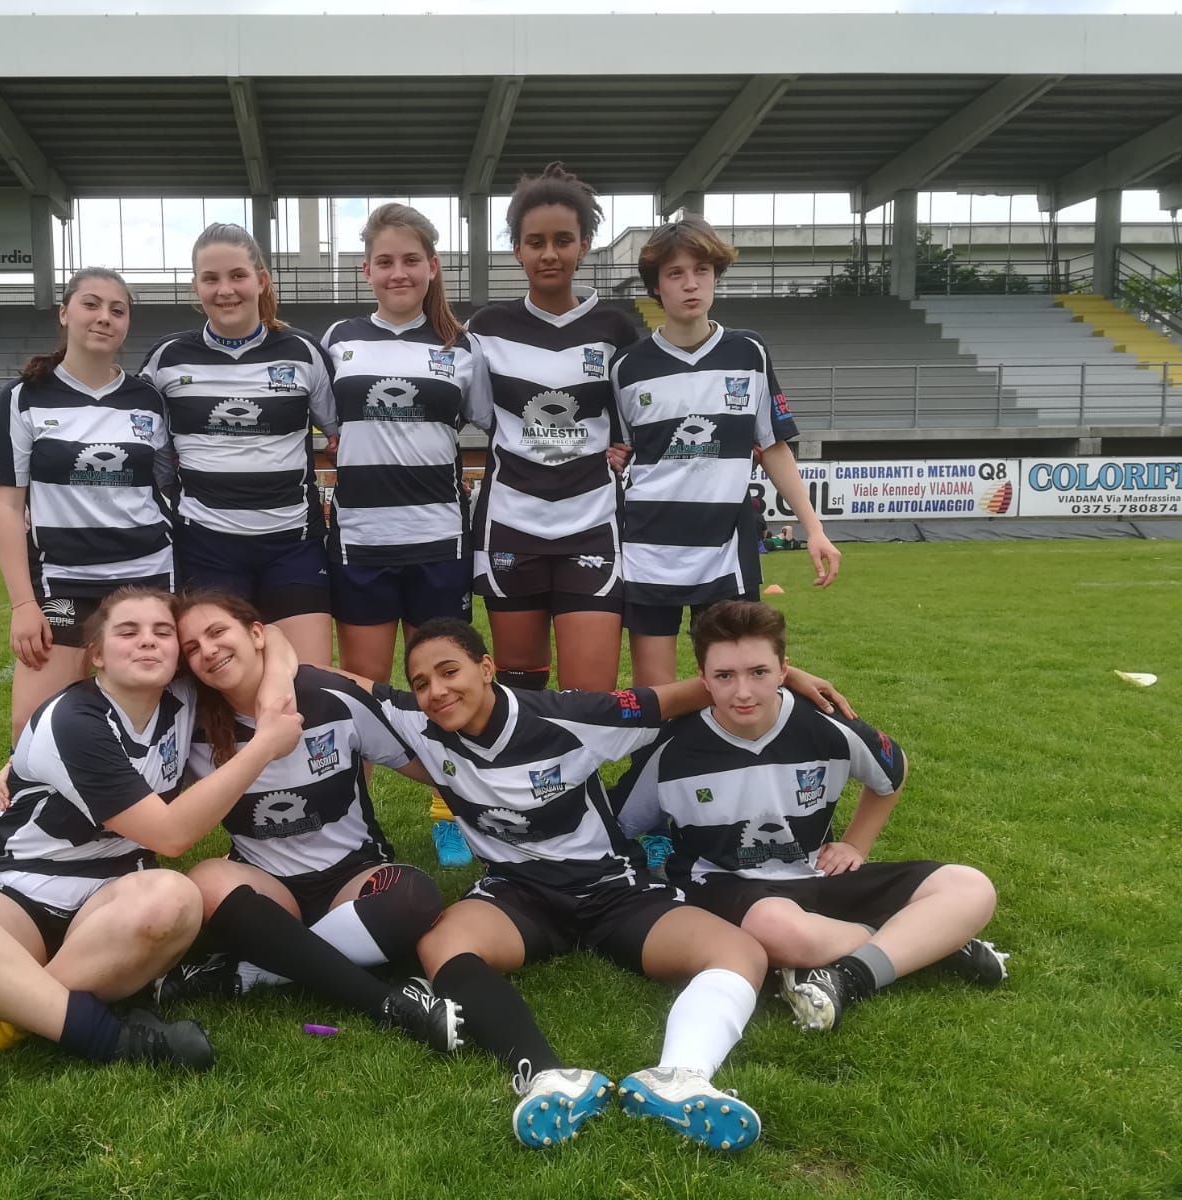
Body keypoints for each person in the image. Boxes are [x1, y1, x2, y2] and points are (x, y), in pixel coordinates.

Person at [357, 618, 851, 1151]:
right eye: (422, 682)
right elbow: (343, 683)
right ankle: (546, 1078)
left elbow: (674, 698)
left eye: (449, 671)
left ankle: (680, 1078)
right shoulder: (418, 721)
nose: (436, 691)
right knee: (441, 943)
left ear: (487, 667)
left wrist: (785, 676)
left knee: (741, 953)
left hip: (611, 889)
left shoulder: (570, 717)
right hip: (516, 894)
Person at [0, 587, 304, 1071]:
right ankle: (113, 1037)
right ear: (97, 654)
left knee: (174, 898)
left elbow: (274, 638)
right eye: (128, 632)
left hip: (112, 902)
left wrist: (274, 691)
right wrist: (264, 745)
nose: (148, 641)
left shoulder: (182, 694)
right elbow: (170, 835)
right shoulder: (74, 720)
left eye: (162, 632)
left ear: (175, 654)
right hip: (18, 895)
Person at [613, 600, 1007, 1032]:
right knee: (778, 929)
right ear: (703, 678)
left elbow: (893, 771)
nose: (743, 692)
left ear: (784, 670)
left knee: (970, 887)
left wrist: (856, 844)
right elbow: (621, 825)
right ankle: (925, 945)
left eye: (758, 672)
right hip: (727, 886)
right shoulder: (670, 750)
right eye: (725, 676)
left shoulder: (825, 725)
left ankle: (864, 964)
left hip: (817, 875)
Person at [147, 590, 462, 1054]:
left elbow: (428, 765)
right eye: (192, 648)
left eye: (217, 632)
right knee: (205, 884)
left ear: (257, 634)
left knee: (414, 898)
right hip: (267, 889)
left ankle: (252, 972)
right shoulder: (190, 725)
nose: (208, 651)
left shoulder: (329, 696)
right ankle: (386, 1003)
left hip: (352, 877)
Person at [321, 202, 493, 870]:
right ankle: (353, 827)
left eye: (411, 260)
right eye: (385, 261)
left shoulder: (462, 347)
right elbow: (326, 426)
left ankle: (454, 813)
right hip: (361, 544)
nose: (399, 272)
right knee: (362, 694)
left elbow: (499, 426)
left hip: (439, 545)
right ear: (366, 270)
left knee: (448, 691)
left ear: (432, 266)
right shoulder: (338, 340)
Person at [612, 216, 841, 686]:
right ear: (656, 286)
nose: (690, 284)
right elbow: (617, 452)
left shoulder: (749, 352)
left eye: (701, 270)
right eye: (675, 273)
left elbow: (773, 446)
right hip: (648, 551)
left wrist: (814, 529)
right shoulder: (627, 368)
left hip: (726, 552)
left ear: (716, 276)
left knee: (736, 685)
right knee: (656, 695)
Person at [468, 163, 640, 694]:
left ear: (584, 245)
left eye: (563, 240)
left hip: (591, 522)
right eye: (535, 242)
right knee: (521, 691)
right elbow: (476, 413)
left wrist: (625, 449)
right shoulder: (486, 329)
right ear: (516, 249)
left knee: (590, 698)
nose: (549, 254)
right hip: (510, 523)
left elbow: (635, 415)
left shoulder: (615, 328)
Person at [0, 267, 175, 740]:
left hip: (146, 578)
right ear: (65, 313)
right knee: (34, 728)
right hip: (63, 580)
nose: (104, 317)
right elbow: (7, 509)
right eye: (91, 304)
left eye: (117, 310)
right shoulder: (22, 398)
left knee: (142, 722)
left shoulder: (148, 399)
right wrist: (23, 604)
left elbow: (168, 483)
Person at [141, 223, 339, 665]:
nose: (225, 290)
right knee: (220, 680)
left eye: (237, 276)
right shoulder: (166, 359)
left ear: (261, 280)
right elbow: (145, 451)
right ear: (195, 287)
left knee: (307, 679)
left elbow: (340, 438)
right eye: (210, 279)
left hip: (293, 544)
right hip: (205, 547)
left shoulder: (303, 352)